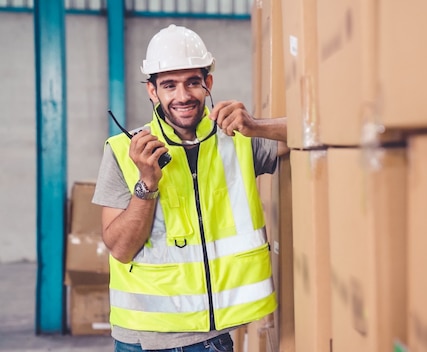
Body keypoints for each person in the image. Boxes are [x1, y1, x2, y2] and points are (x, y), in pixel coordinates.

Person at [92, 24, 288, 352]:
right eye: (169, 85)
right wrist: (147, 184)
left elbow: (313, 133)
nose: (182, 96)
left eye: (192, 82)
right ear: (152, 91)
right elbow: (120, 248)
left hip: (212, 337)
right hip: (143, 339)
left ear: (207, 83)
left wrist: (257, 125)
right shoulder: (122, 152)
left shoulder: (238, 141)